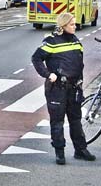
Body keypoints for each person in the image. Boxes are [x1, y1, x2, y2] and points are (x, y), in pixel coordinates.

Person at [31, 12, 95, 165]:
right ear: (63, 26)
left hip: (74, 87)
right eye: (72, 24)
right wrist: (48, 74)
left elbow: (79, 64)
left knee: (76, 120)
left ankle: (81, 149)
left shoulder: (75, 40)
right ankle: (60, 152)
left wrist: (80, 83)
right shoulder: (51, 41)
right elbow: (36, 58)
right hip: (57, 88)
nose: (75, 26)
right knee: (57, 121)